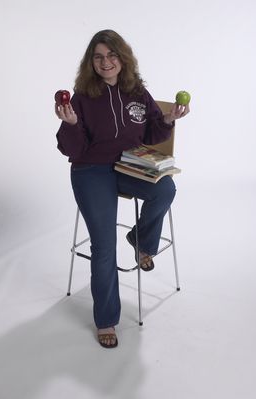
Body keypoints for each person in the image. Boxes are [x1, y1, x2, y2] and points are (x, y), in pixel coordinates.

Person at [55, 29, 189, 348]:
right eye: (98, 57)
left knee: (165, 189)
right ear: (92, 62)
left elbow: (152, 131)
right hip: (91, 169)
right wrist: (71, 125)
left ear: (122, 57)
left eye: (112, 55)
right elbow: (70, 149)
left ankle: (140, 238)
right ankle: (106, 319)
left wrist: (169, 119)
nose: (106, 62)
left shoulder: (137, 90)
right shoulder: (82, 97)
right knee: (104, 246)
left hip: (129, 164)